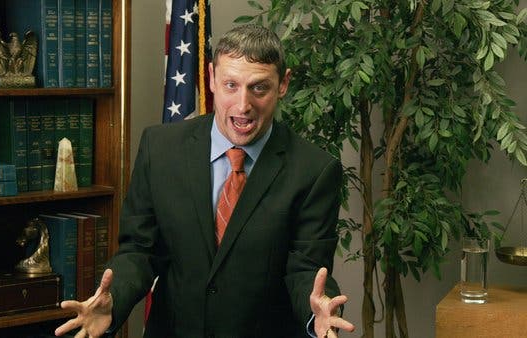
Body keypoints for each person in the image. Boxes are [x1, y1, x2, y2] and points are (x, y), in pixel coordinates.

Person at [55, 24, 355, 338]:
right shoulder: (160, 149)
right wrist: (113, 301)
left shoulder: (315, 170)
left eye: (259, 88)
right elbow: (139, 250)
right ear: (211, 77)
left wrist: (318, 309)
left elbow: (306, 269)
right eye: (230, 85)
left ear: (283, 84)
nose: (243, 105)